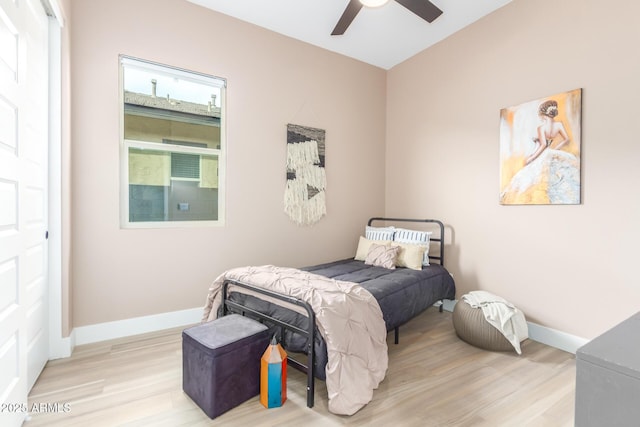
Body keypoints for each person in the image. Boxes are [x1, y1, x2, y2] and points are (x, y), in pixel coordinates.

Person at [525, 99, 570, 165]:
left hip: (545, 153)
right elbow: (567, 139)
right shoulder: (559, 125)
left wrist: (532, 157)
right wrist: (555, 150)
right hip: (553, 152)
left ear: (543, 116)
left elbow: (544, 145)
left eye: (539, 115)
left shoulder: (541, 128)